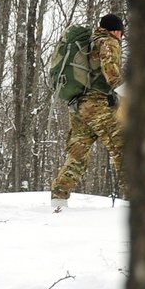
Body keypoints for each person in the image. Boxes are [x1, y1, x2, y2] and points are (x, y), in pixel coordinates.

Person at [50, 13, 126, 208]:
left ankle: (59, 198)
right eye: (121, 34)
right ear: (117, 31)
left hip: (78, 106)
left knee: (78, 154)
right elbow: (112, 74)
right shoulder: (108, 42)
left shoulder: (89, 42)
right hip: (98, 105)